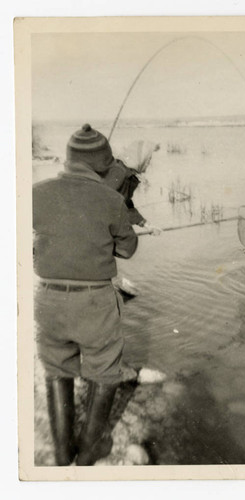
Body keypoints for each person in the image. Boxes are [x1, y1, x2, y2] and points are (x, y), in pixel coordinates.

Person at [33, 123, 138, 466]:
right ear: (104, 165)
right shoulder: (111, 199)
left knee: (56, 370)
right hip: (94, 302)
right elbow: (127, 250)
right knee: (104, 370)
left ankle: (63, 453)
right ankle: (90, 449)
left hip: (48, 300)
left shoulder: (36, 192)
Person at [102, 140, 162, 235]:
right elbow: (113, 204)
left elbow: (126, 203)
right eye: (148, 159)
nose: (148, 163)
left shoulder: (126, 172)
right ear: (140, 158)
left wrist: (146, 225)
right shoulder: (120, 173)